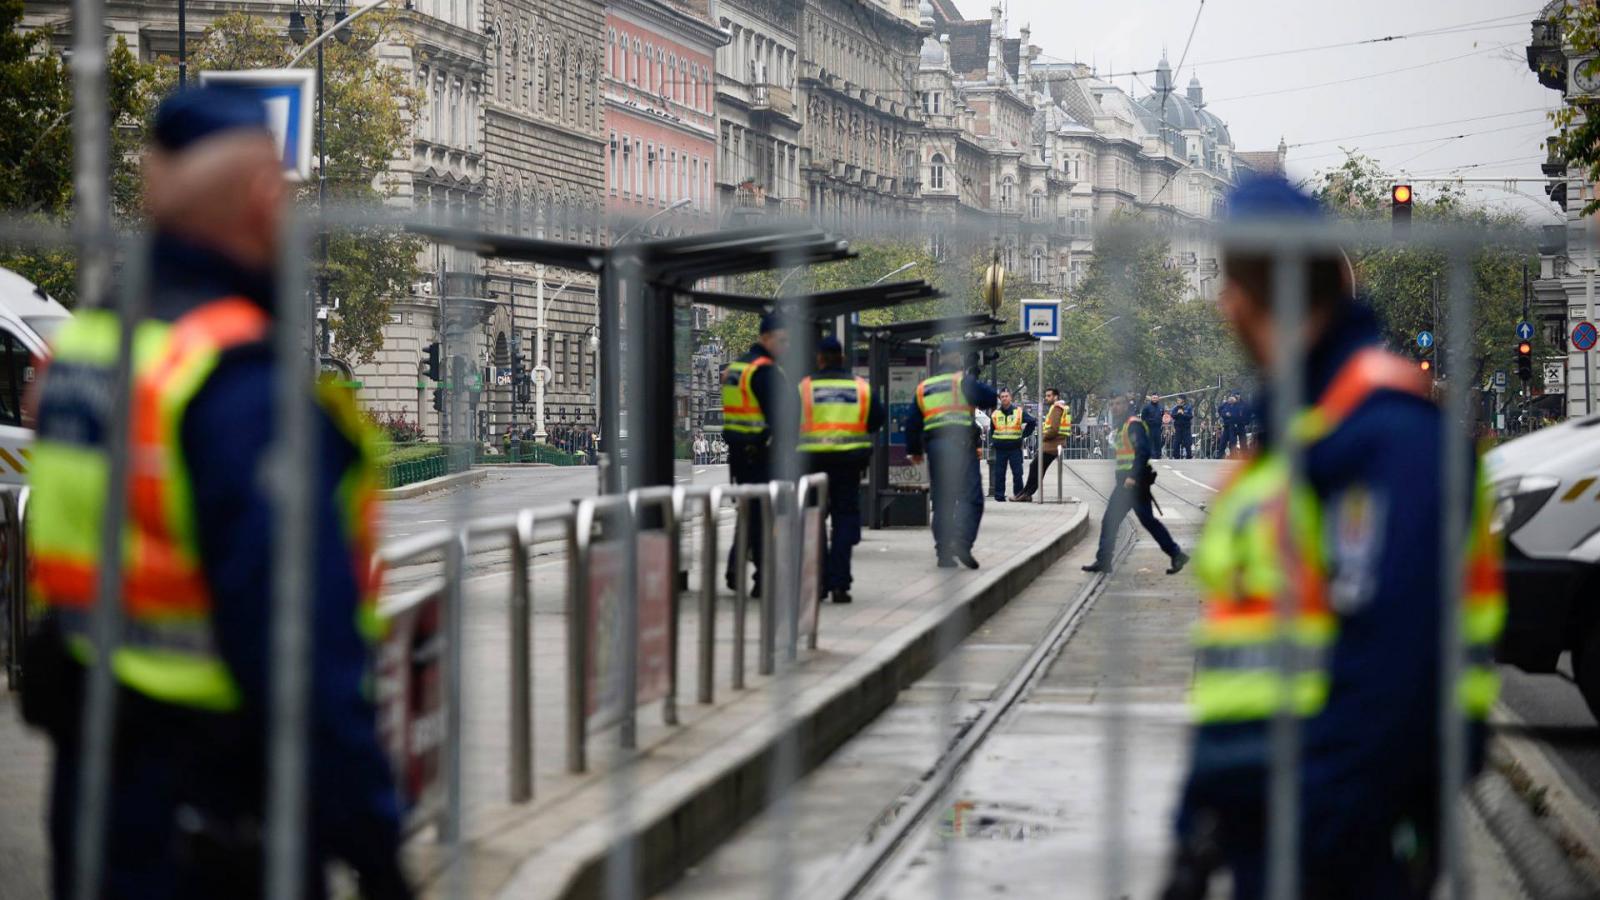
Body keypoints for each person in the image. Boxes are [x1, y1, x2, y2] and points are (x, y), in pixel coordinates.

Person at [22, 87, 411, 899]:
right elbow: (301, 651)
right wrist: (376, 849)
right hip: (219, 817)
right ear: (265, 199)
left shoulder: (85, 351)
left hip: (92, 797)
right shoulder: (237, 381)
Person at [1161, 175, 1504, 900]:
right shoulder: (1298, 435)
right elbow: (1242, 654)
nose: (1223, 305)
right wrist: (1198, 825)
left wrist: (1326, 834)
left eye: (1234, 282)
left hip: (1335, 842)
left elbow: (1398, 664)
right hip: (1261, 828)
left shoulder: (1385, 436)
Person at [796, 337, 884, 604]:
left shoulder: (805, 388)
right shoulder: (860, 388)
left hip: (813, 463)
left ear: (819, 358)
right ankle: (840, 583)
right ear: (842, 357)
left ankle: (819, 582)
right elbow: (876, 420)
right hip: (848, 464)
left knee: (813, 520)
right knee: (845, 519)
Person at [721, 312, 794, 596]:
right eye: (782, 340)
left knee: (750, 512)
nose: (785, 347)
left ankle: (734, 567)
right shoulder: (765, 371)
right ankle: (762, 578)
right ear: (766, 338)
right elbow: (781, 416)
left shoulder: (737, 367)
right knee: (764, 516)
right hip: (761, 453)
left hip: (739, 454)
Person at [905, 345, 997, 569]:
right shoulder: (962, 382)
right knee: (971, 498)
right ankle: (962, 542)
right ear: (956, 358)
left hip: (936, 448)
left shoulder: (924, 387)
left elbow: (912, 423)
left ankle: (943, 554)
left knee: (942, 501)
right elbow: (990, 396)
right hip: (961, 447)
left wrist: (915, 451)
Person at [1082, 393, 1188, 576]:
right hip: (1129, 483)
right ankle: (1176, 553)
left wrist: (1132, 476)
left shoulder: (1133, 425)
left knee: (1110, 520)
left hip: (1132, 484)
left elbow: (1143, 452)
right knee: (1147, 521)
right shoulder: (1123, 426)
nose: (1114, 407)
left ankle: (1104, 560)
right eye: (1112, 404)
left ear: (1126, 406)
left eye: (1118, 404)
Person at [1014, 387, 1070, 501]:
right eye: (1046, 395)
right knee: (1037, 467)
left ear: (1056, 397)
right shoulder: (1058, 408)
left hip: (1052, 444)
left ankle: (1026, 493)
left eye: (1049, 396)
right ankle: (1025, 493)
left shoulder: (1057, 408)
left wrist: (1045, 436)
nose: (1046, 398)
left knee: (1036, 467)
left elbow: (1054, 429)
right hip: (1053, 444)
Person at [986, 389, 1034, 502]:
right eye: (1002, 396)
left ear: (1010, 398)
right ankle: (999, 497)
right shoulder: (995, 414)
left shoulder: (1019, 412)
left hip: (1015, 448)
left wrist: (1023, 435)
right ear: (1000, 399)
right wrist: (994, 441)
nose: (1004, 398)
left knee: (1017, 474)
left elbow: (1032, 422)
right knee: (999, 474)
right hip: (1001, 449)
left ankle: (1018, 495)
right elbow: (992, 430)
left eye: (1006, 396)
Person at [1140, 393, 1165, 460]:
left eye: (1156, 398)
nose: (1155, 399)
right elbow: (1143, 417)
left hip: (1157, 427)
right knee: (1150, 441)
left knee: (1158, 441)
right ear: (1151, 398)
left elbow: (1162, 415)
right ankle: (1152, 455)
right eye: (1153, 398)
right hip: (1149, 427)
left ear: (1158, 399)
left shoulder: (1161, 407)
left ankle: (1158, 455)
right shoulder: (1147, 407)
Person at [1218, 391, 1243, 457]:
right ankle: (1220, 455)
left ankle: (1233, 455)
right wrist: (1226, 414)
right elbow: (1221, 411)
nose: (1231, 399)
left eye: (1233, 398)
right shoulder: (1226, 404)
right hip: (1226, 425)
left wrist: (1230, 415)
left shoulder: (1238, 405)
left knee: (1232, 441)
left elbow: (1238, 415)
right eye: (1230, 398)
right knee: (1223, 441)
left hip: (1233, 426)